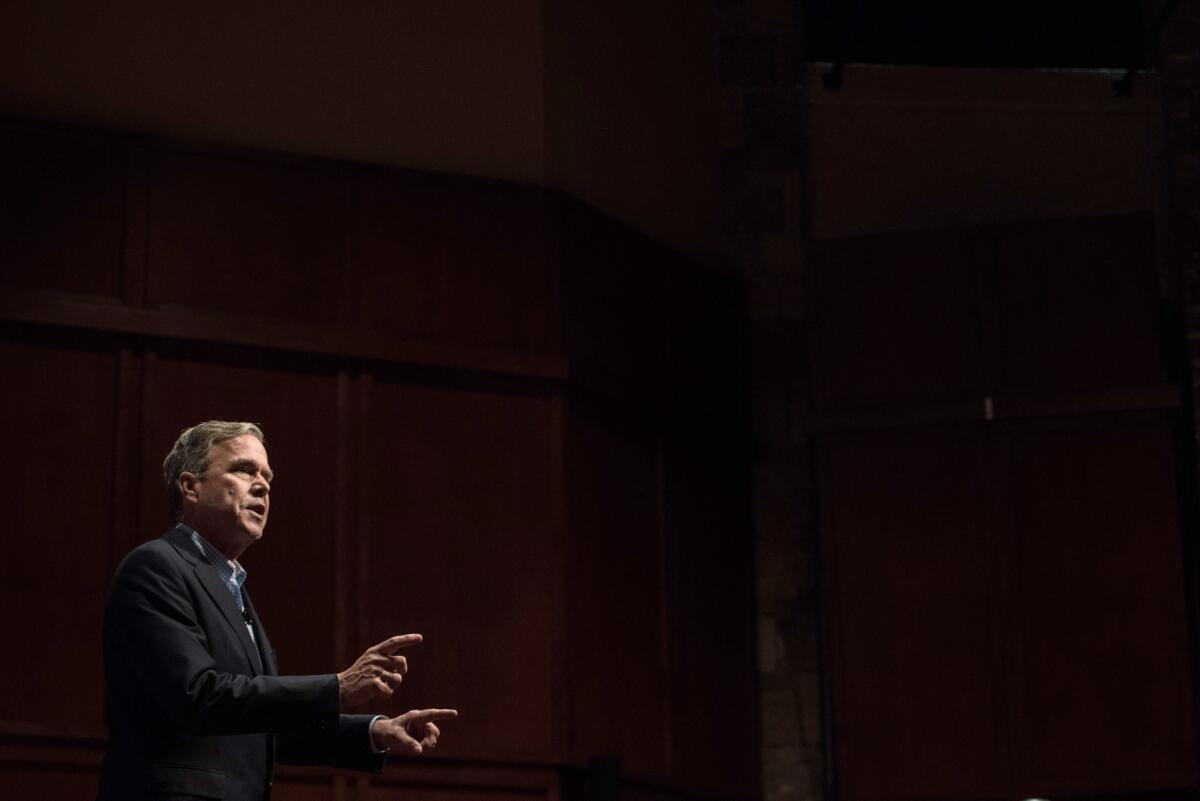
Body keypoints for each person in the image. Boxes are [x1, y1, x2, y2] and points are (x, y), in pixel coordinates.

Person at [97, 420, 457, 801]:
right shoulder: (156, 567)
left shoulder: (231, 587)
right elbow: (198, 696)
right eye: (242, 469)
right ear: (190, 487)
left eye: (267, 476)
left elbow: (265, 727)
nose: (263, 485)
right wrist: (337, 686)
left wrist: (372, 731)